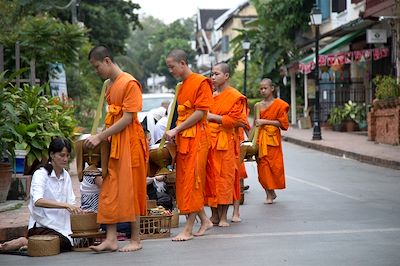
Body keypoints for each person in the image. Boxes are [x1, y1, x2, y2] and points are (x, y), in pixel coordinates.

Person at [84, 45, 148, 252]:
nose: (96, 71)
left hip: (130, 142)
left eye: (97, 67)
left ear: (107, 61)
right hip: (113, 143)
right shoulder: (109, 85)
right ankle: (111, 239)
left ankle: (136, 239)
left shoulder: (129, 83)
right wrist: (102, 137)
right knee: (109, 190)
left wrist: (101, 136)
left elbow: (128, 118)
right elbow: (112, 118)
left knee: (133, 190)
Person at [0, 138, 82, 253]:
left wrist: (78, 211)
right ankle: (25, 242)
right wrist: (65, 205)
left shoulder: (66, 176)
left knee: (78, 240)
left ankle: (33, 244)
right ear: (52, 155)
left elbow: (71, 203)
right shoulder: (41, 174)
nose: (65, 159)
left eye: (67, 156)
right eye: (62, 155)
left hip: (63, 227)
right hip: (42, 226)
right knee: (66, 243)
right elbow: (38, 201)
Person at [164, 48, 214, 241]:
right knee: (185, 181)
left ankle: (188, 229)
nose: (171, 71)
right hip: (184, 139)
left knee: (193, 181)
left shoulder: (201, 82)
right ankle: (205, 220)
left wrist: (177, 130)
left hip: (198, 139)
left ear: (183, 63)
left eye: (172, 67)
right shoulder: (182, 85)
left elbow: (201, 113)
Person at [206, 62, 249, 227]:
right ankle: (214, 215)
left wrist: (213, 118)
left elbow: (238, 121)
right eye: (212, 74)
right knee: (210, 180)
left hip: (226, 144)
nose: (213, 77)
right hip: (210, 142)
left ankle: (224, 216)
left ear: (226, 76)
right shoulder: (210, 97)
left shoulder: (235, 96)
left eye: (216, 74)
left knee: (224, 179)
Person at [254, 78, 289, 204]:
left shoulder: (280, 104)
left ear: (272, 88)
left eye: (265, 88)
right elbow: (255, 125)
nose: (263, 91)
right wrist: (251, 141)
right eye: (261, 88)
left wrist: (265, 122)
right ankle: (269, 193)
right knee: (262, 169)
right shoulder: (258, 105)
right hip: (260, 140)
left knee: (274, 167)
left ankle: (271, 192)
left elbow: (283, 124)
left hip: (272, 141)